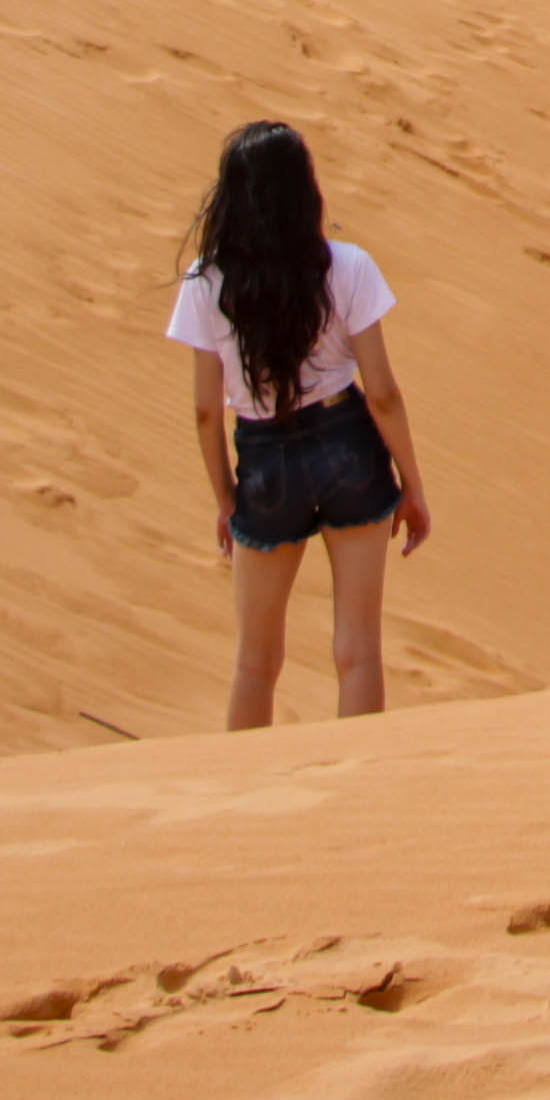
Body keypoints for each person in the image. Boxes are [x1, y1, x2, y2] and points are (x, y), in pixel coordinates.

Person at [165, 118, 430, 729]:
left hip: (265, 458)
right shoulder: (348, 266)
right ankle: (359, 786)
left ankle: (244, 796)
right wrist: (411, 485)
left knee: (255, 662)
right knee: (358, 649)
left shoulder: (207, 281)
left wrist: (225, 497)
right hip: (350, 446)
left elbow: (207, 410)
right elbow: (383, 392)